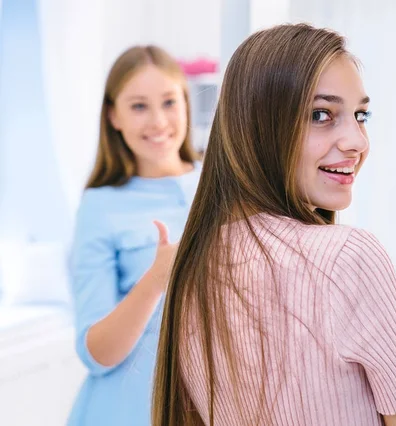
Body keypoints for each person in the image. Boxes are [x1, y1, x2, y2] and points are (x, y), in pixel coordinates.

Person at [152, 24, 396, 426]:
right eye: (322, 115)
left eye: (360, 115)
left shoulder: (193, 266)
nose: (357, 141)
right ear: (260, 126)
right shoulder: (348, 258)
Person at [67, 45, 202, 426]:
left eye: (169, 102)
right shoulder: (100, 206)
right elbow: (96, 353)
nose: (158, 121)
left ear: (186, 104)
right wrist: (157, 278)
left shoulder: (223, 185)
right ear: (114, 116)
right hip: (124, 411)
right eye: (139, 106)